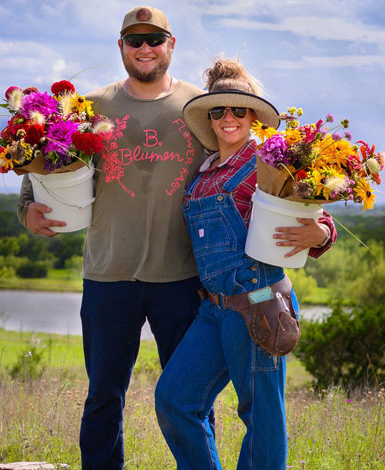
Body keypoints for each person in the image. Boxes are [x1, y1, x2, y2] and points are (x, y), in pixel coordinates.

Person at [17, 6, 207, 469]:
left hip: (181, 277)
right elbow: (44, 164)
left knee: (188, 401)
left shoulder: (200, 107)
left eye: (154, 39)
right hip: (107, 276)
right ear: (120, 46)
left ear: (172, 44)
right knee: (103, 397)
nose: (145, 48)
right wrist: (27, 210)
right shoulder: (91, 106)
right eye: (134, 40)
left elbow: (238, 170)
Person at [154, 59, 336, 470]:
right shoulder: (203, 172)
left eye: (239, 109)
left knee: (260, 414)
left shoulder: (268, 163)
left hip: (259, 304)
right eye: (218, 110)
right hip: (213, 310)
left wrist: (321, 234)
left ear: (253, 115)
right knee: (175, 399)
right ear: (209, 118)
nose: (229, 118)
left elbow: (316, 213)